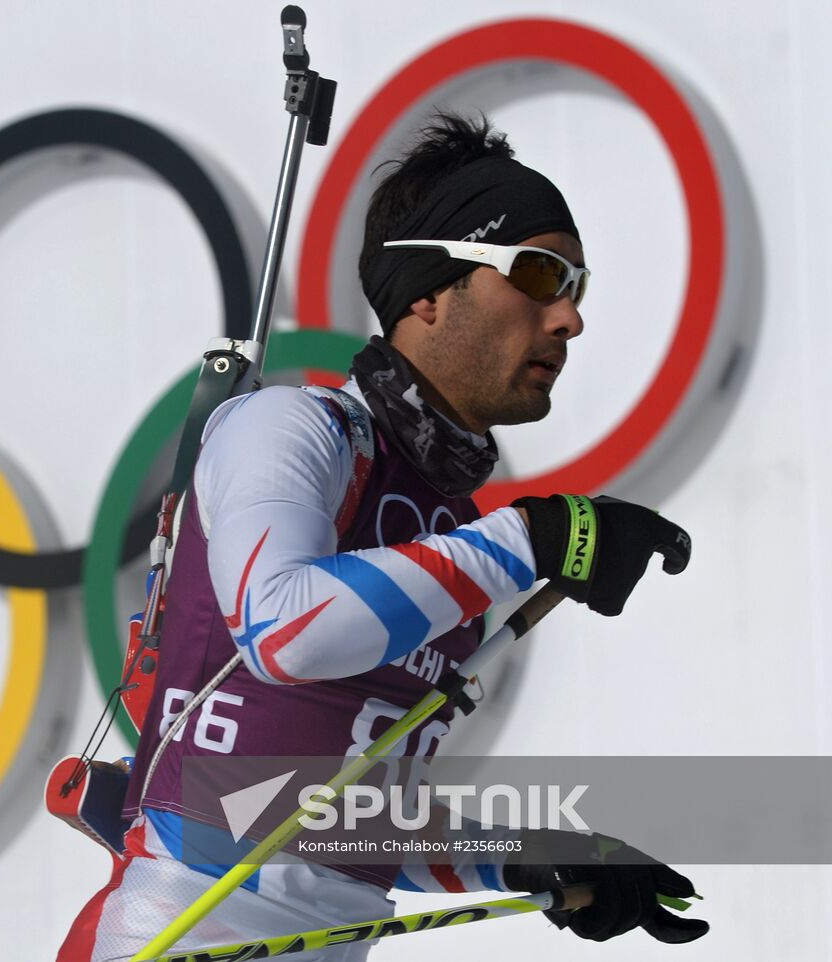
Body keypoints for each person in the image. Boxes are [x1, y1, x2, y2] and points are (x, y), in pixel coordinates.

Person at [57, 113, 707, 961]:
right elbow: (282, 629)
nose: (569, 318)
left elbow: (331, 828)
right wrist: (535, 536)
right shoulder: (294, 429)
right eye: (540, 274)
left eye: (577, 285)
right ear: (429, 292)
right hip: (174, 932)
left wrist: (538, 860)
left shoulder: (452, 543)